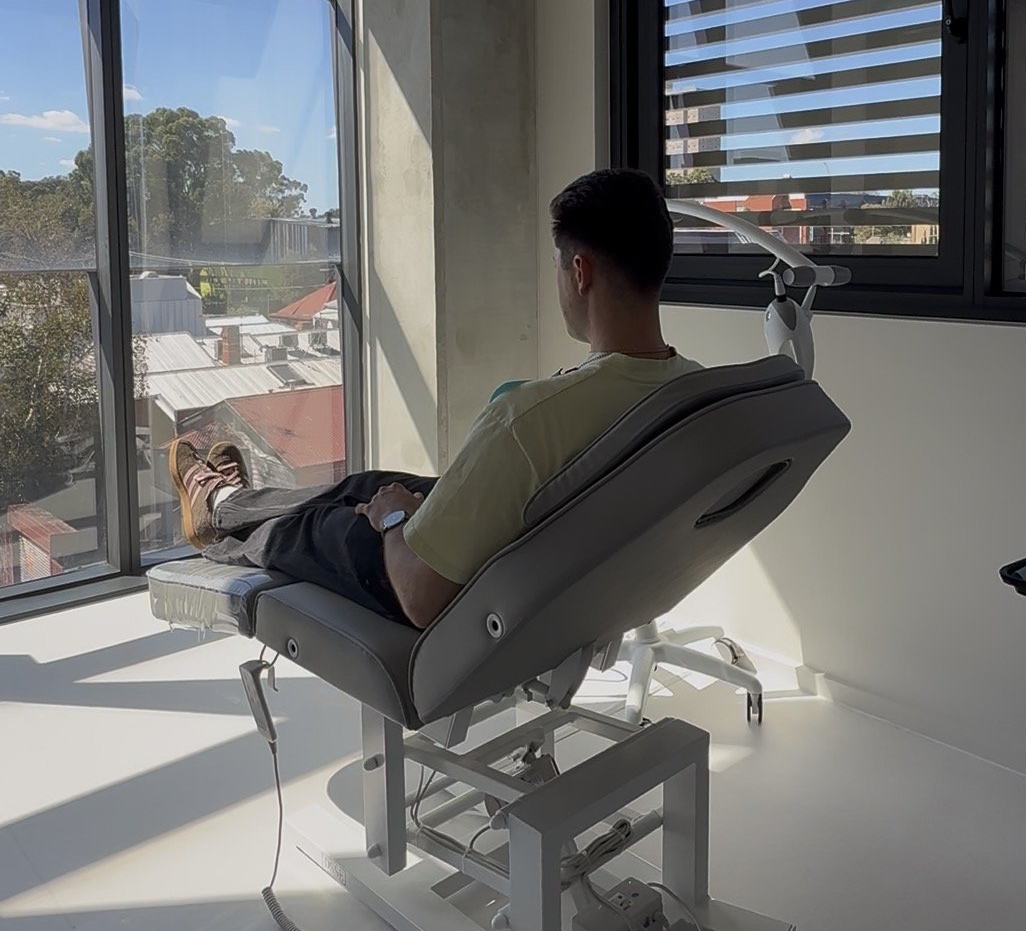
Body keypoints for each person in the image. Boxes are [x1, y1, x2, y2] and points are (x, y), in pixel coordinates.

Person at [168, 168, 701, 631]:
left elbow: (421, 598)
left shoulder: (527, 418)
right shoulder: (691, 392)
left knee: (310, 527)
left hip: (443, 586)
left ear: (580, 272)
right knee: (364, 487)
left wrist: (399, 524)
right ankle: (228, 502)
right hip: (550, 555)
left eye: (558, 267)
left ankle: (217, 512)